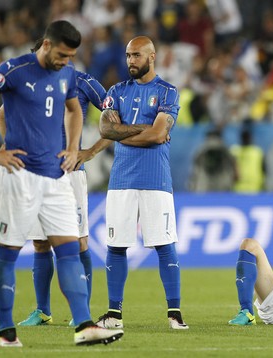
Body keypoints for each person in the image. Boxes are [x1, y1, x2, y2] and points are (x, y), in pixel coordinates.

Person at [0, 20, 123, 347]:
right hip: (19, 178)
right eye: (62, 54)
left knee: (70, 251)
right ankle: (7, 332)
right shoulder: (13, 70)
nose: (66, 61)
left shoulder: (66, 73)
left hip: (57, 177)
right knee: (7, 254)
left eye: (71, 56)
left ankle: (84, 326)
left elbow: (75, 110)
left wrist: (74, 148)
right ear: (46, 45)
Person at [0, 39, 112, 327]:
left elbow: (113, 121)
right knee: (40, 243)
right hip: (35, 172)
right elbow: (0, 114)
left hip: (70, 173)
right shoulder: (28, 80)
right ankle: (43, 310)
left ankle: (80, 314)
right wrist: (12, 145)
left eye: (67, 55)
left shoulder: (83, 82)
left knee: (79, 242)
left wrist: (89, 151)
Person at [96, 36, 188, 330]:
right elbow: (106, 129)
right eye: (127, 55)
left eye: (136, 55)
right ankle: (114, 313)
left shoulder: (167, 92)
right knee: (115, 245)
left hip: (155, 180)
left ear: (151, 57)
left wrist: (123, 132)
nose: (130, 61)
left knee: (164, 244)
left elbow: (158, 135)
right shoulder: (116, 91)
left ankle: (174, 313)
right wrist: (142, 130)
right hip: (121, 180)